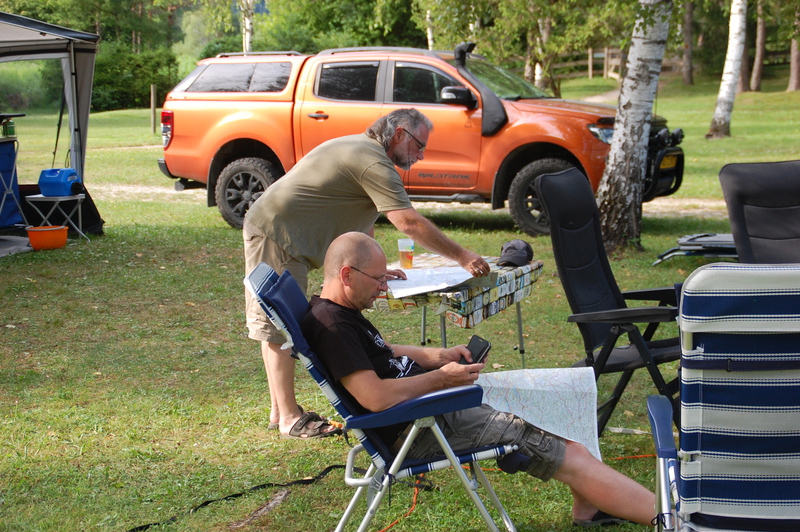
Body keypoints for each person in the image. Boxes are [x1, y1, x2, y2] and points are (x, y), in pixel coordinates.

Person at [300, 232, 656, 528]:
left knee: (560, 402)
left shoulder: (340, 311)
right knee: (568, 449)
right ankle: (670, 519)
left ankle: (590, 505)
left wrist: (437, 356)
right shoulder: (334, 326)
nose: (382, 287)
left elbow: (383, 351)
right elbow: (375, 398)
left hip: (433, 408)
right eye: (378, 279)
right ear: (347, 274)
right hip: (422, 425)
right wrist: (441, 380)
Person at [243, 108, 491, 439]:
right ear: (399, 134)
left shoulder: (366, 153)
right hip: (277, 231)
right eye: (419, 146)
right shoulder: (373, 161)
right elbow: (408, 222)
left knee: (281, 324)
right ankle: (287, 416)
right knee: (278, 326)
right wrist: (462, 255)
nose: (421, 155)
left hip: (289, 233)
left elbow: (363, 219)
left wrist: (373, 268)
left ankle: (280, 412)